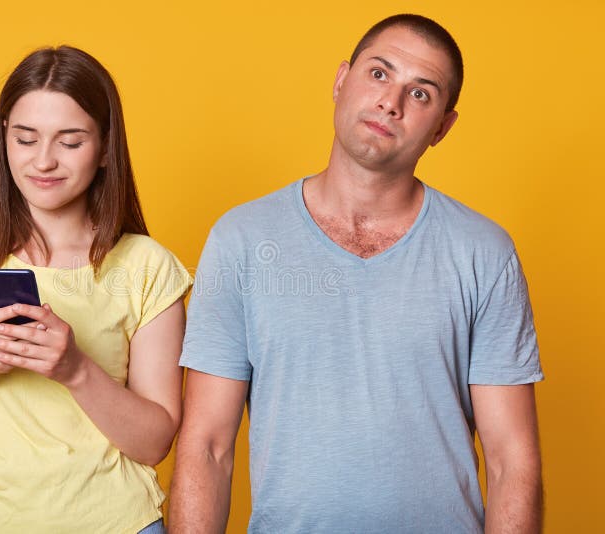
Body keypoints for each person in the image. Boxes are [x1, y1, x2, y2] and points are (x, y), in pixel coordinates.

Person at [170, 14, 543, 533]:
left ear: (442, 127)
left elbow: (511, 462)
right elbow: (207, 447)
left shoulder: (484, 252)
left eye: (420, 94)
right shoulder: (243, 240)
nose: (391, 101)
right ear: (341, 80)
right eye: (379, 74)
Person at [0, 46, 192, 533]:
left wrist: (74, 369)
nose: (44, 161)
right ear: (3, 138)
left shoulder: (147, 266)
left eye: (70, 142)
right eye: (25, 139)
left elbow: (155, 441)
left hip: (118, 522)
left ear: (105, 147)